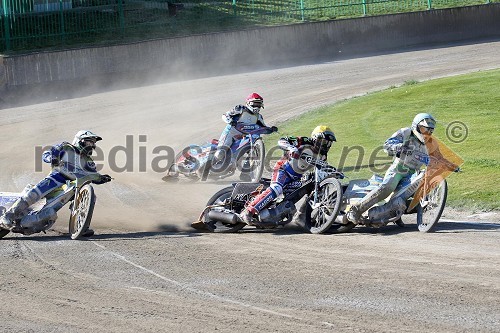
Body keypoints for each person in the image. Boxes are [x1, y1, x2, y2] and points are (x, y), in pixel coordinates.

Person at [0, 130, 111, 235]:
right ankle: (8, 215)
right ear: (79, 140)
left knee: (50, 213)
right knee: (33, 195)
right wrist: (51, 158)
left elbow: (94, 175)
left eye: (93, 143)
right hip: (57, 177)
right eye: (88, 141)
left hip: (73, 185)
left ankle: (82, 226)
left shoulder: (89, 161)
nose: (91, 145)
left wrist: (101, 178)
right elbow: (47, 153)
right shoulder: (67, 148)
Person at [346, 113, 446, 223]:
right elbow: (387, 144)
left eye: (430, 131)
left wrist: (448, 165)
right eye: (424, 129)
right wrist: (399, 147)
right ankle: (355, 210)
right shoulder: (406, 132)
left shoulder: (431, 144)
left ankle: (383, 214)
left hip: (412, 174)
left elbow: (438, 158)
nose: (426, 133)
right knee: (387, 188)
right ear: (416, 126)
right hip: (399, 169)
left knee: (401, 199)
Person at [239, 125, 337, 224]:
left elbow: (322, 170)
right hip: (283, 170)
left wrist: (332, 174)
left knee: (313, 186)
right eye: (324, 141)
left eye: (329, 143)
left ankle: (301, 215)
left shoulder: (323, 156)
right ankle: (248, 211)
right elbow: (282, 141)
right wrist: (292, 148)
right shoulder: (304, 141)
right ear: (316, 138)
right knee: (277, 188)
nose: (326, 145)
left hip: (297, 178)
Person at [212, 92, 277, 170]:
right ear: (249, 103)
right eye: (255, 104)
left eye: (258, 104)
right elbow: (225, 115)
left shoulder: (259, 117)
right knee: (220, 152)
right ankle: (210, 165)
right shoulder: (240, 108)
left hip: (244, 137)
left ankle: (245, 174)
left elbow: (263, 128)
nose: (257, 106)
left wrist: (271, 129)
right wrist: (230, 121)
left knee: (252, 153)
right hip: (231, 133)